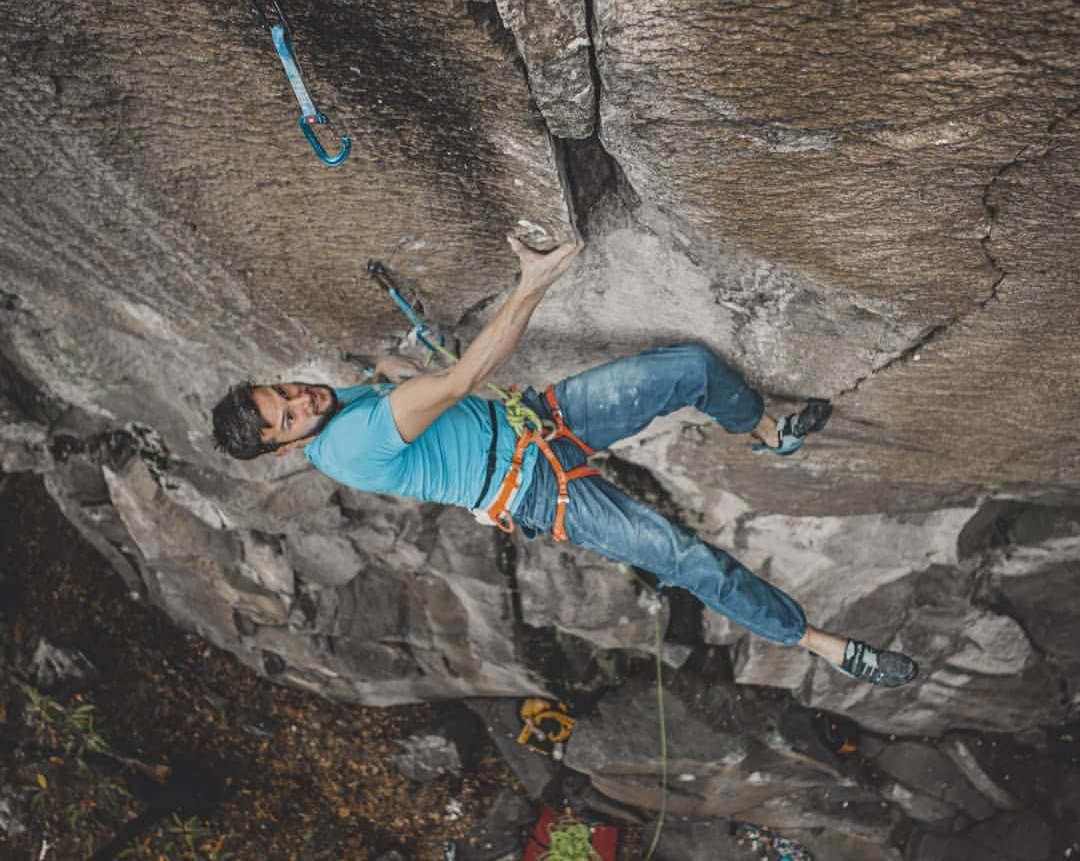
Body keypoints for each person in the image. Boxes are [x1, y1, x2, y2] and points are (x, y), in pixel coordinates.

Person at [211, 232, 918, 690]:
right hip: (538, 491)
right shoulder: (347, 443)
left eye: (283, 392)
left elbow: (393, 387)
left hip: (537, 422)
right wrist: (531, 283)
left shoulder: (329, 404)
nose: (300, 399)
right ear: (289, 446)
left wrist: (390, 361)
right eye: (288, 417)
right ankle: (821, 644)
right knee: (684, 557)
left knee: (690, 368)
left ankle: (764, 428)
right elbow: (455, 384)